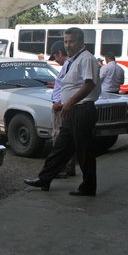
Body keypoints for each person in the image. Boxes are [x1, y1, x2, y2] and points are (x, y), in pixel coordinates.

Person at [24, 27, 100, 195]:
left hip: (82, 109)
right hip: (72, 111)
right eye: (65, 41)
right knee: (60, 148)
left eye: (71, 41)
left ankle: (88, 187)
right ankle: (44, 179)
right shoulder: (72, 60)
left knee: (84, 151)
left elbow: (89, 85)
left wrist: (69, 102)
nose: (67, 45)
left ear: (81, 42)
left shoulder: (87, 59)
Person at [49, 41, 76, 178]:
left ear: (60, 53)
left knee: (59, 139)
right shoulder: (69, 65)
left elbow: (70, 88)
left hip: (61, 108)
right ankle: (68, 167)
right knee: (67, 139)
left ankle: (62, 168)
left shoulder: (68, 65)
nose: (56, 61)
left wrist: (59, 102)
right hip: (63, 106)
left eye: (55, 57)